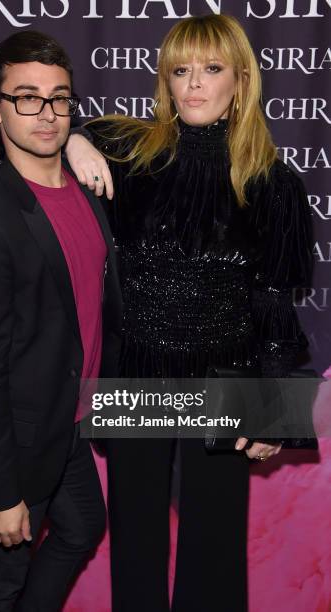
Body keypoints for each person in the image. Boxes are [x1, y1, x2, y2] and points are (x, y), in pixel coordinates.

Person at [65, 14, 313, 612]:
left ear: (241, 79)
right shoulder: (128, 151)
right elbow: (48, 132)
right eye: (181, 71)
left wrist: (275, 412)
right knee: (135, 543)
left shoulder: (272, 182)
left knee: (215, 547)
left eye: (211, 69)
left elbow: (274, 298)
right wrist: (74, 138)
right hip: (138, 370)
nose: (195, 84)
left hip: (224, 378)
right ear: (166, 82)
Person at [0, 30, 121, 611]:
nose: (46, 114)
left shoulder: (88, 190)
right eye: (26, 97)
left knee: (82, 525)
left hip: (63, 424)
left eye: (59, 98)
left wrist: (83, 141)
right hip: (15, 440)